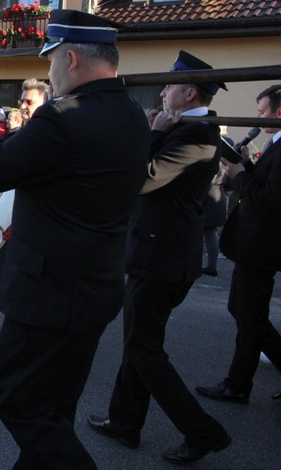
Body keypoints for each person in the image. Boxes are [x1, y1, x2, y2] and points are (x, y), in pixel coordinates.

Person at [0, 9, 151, 468]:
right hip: (97, 286)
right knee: (56, 409)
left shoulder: (61, 117)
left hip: (47, 291)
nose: (48, 72)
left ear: (70, 59)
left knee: (19, 403)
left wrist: (12, 131)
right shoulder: (134, 115)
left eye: (50, 60)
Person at [87, 50, 231, 465]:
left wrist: (151, 132)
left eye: (170, 86)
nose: (164, 91)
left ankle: (202, 431)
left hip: (163, 256)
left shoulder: (199, 135)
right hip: (157, 252)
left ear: (188, 93)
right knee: (141, 343)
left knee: (144, 348)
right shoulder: (187, 128)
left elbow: (143, 179)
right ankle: (125, 422)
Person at [196, 84, 281, 404]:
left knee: (248, 314)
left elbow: (270, 199)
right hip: (254, 243)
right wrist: (246, 165)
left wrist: (241, 173)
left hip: (262, 245)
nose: (258, 118)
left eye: (262, 112)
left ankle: (237, 383)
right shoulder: (274, 142)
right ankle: (239, 382)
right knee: (244, 311)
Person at [0, 82, 48, 305]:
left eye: (29, 101)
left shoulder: (40, 134)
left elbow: (21, 183)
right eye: (21, 101)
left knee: (17, 272)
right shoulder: (26, 132)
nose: (23, 106)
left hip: (24, 219)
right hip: (12, 215)